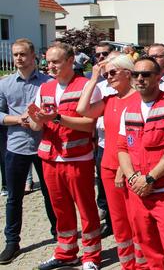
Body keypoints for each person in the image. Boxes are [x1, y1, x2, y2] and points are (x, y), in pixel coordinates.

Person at [28, 42, 102, 270]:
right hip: (50, 158)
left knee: (87, 209)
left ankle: (91, 256)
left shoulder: (87, 86)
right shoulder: (45, 88)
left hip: (77, 158)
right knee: (60, 209)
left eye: (55, 62)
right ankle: (66, 252)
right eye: (48, 61)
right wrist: (38, 120)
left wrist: (57, 118)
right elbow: (35, 125)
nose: (50, 66)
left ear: (70, 61)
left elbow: (89, 124)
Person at [117, 56, 164, 269]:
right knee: (148, 247)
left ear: (158, 77)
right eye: (135, 74)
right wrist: (133, 178)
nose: (140, 79)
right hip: (138, 191)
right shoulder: (128, 108)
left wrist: (149, 179)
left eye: (146, 74)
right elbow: (122, 148)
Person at [76, 54, 144, 269]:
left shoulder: (140, 98)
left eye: (113, 73)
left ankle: (143, 263)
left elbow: (139, 140)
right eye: (107, 74)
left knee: (137, 220)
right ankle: (127, 264)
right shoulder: (110, 100)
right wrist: (94, 78)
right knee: (119, 221)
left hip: (132, 168)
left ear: (127, 72)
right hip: (107, 166)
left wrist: (126, 169)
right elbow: (82, 110)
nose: (109, 77)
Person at [0, 38, 57, 264]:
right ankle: (12, 242)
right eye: (15, 55)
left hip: (44, 146)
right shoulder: (4, 84)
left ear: (34, 57)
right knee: (14, 198)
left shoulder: (47, 83)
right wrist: (17, 119)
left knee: (51, 194)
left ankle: (59, 233)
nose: (19, 59)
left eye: (23, 54)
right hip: (16, 147)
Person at [92, 42, 116, 238]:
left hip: (124, 145)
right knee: (104, 185)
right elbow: (86, 112)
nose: (101, 58)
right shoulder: (99, 86)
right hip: (103, 143)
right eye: (98, 55)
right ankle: (109, 221)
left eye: (105, 54)